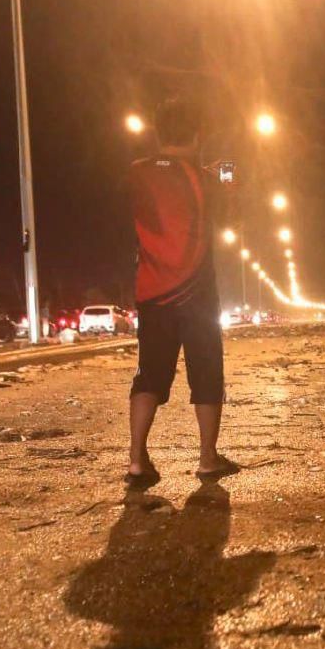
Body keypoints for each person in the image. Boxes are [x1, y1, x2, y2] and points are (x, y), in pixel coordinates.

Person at [125, 98, 239, 487]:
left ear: (158, 133)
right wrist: (230, 180)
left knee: (149, 374)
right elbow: (229, 217)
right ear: (198, 134)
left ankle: (136, 459)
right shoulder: (207, 179)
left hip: (153, 293)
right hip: (198, 294)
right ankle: (207, 459)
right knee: (206, 373)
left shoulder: (136, 173)